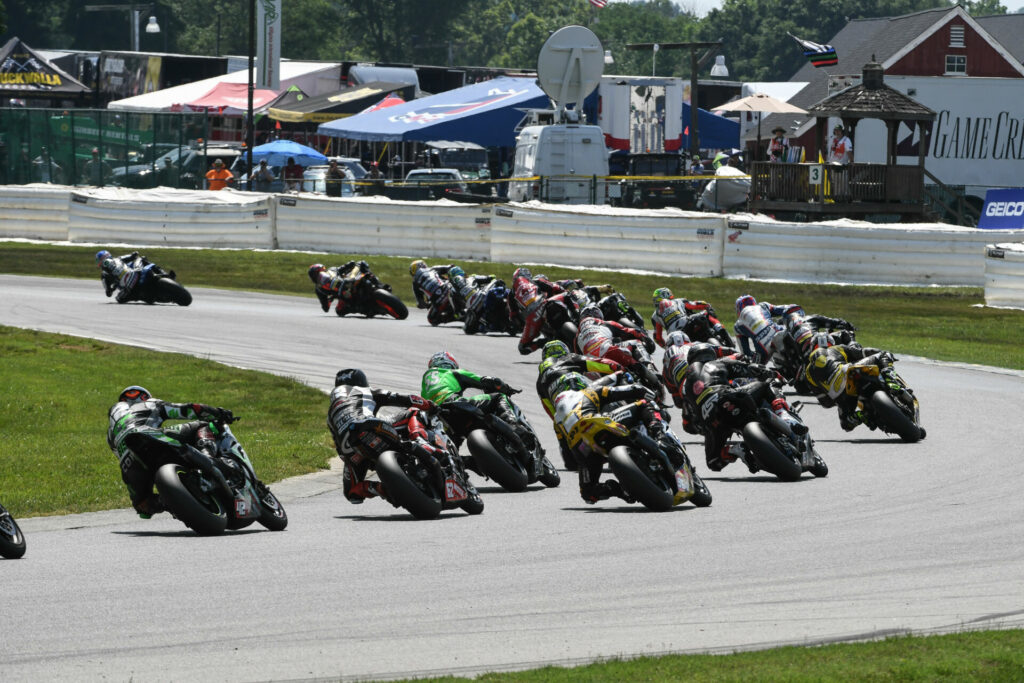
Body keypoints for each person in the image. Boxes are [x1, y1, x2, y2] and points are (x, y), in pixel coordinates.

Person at [106, 385, 234, 517]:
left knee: (143, 506)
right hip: (149, 436)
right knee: (203, 425)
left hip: (129, 464)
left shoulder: (110, 434)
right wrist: (217, 413)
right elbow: (186, 410)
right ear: (143, 397)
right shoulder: (148, 404)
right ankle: (209, 458)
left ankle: (170, 503)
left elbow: (120, 453)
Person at [549, 370, 667, 504]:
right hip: (599, 424)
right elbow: (630, 390)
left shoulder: (557, 421)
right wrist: (653, 396)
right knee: (644, 405)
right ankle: (660, 435)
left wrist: (583, 464)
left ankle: (619, 490)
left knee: (588, 494)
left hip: (582, 449)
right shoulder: (587, 392)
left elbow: (568, 458)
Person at [327, 368, 437, 504]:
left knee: (352, 493)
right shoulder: (365, 391)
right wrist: (429, 405)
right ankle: (422, 442)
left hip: (352, 450)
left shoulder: (330, 415)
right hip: (370, 425)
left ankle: (379, 488)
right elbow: (403, 398)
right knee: (414, 412)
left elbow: (340, 450)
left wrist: (354, 459)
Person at [681, 354, 804, 472]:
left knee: (713, 461)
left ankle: (735, 450)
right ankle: (784, 414)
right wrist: (770, 373)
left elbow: (688, 424)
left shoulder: (685, 386)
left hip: (712, 420)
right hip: (727, 397)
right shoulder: (716, 363)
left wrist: (705, 428)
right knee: (765, 386)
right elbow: (749, 369)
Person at [535, 340, 623, 470]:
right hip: (587, 396)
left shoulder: (540, 382)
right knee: (611, 398)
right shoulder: (569, 358)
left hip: (565, 413)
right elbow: (603, 364)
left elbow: (550, 410)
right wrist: (619, 368)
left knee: (571, 464)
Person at [419, 351, 530, 450]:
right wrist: (504, 387)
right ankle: (514, 426)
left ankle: (466, 464)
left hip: (440, 420)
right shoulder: (451, 372)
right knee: (498, 397)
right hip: (454, 403)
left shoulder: (425, 384)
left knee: (452, 451)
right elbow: (486, 380)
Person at [804, 343, 891, 432]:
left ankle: (864, 415)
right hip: (848, 371)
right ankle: (890, 377)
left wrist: (839, 401)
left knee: (846, 424)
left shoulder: (808, 374)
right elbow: (864, 352)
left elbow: (826, 403)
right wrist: (878, 353)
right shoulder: (836, 348)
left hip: (839, 395)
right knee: (884, 354)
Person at [576, 304, 655, 370]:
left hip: (594, 366)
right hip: (608, 351)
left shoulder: (577, 337)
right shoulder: (605, 323)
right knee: (636, 343)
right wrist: (645, 338)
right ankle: (649, 367)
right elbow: (633, 332)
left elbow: (577, 355)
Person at [650, 287, 732, 348]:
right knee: (707, 313)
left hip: (675, 338)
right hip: (688, 324)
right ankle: (722, 332)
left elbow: (658, 338)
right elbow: (695, 304)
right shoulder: (678, 301)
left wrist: (666, 347)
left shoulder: (655, 316)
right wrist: (707, 305)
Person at [733, 294, 800, 364]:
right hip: (779, 332)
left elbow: (746, 354)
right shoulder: (763, 305)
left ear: (738, 309)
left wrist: (754, 356)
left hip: (763, 351)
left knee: (754, 370)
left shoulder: (737, 325)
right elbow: (786, 309)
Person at [308, 260, 382, 316]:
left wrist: (350, 265)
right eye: (314, 277)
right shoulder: (319, 290)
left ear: (323, 270)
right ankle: (364, 309)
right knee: (339, 311)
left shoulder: (332, 270)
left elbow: (347, 266)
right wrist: (330, 299)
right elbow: (326, 308)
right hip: (343, 295)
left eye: (317, 275)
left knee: (362, 263)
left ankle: (379, 285)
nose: (317, 278)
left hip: (349, 282)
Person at [410, 259, 460, 325]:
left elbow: (421, 303)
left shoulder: (415, 283)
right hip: (449, 289)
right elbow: (450, 267)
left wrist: (428, 305)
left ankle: (458, 317)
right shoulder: (432, 269)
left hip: (439, 302)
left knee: (431, 319)